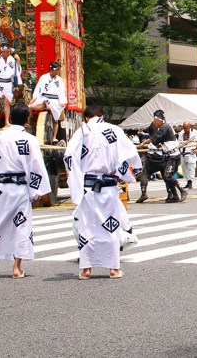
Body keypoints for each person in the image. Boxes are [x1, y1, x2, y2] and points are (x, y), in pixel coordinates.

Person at [64, 105, 142, 279]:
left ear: (86, 118)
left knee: (86, 227)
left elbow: (69, 156)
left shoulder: (82, 131)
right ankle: (113, 268)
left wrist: (76, 180)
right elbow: (129, 153)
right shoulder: (113, 130)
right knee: (111, 226)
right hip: (108, 185)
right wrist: (127, 173)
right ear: (102, 116)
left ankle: (86, 269)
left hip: (87, 187)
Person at [0, 105, 50, 280]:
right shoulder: (29, 139)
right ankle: (16, 267)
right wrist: (36, 191)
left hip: (1, 186)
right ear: (27, 120)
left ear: (10, 118)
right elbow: (35, 165)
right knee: (22, 225)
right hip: (20, 187)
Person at [135, 110, 170, 203]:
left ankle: (143, 193)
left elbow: (153, 137)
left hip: (155, 154)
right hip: (164, 154)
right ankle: (170, 193)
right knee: (165, 174)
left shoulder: (156, 125)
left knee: (145, 173)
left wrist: (143, 143)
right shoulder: (167, 126)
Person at [30, 61, 67, 143]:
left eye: (58, 70)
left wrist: (62, 101)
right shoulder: (44, 77)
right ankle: (27, 123)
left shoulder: (59, 80)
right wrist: (34, 98)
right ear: (51, 69)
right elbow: (38, 89)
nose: (57, 72)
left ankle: (54, 137)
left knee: (55, 118)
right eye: (56, 70)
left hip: (55, 100)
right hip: (44, 97)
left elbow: (62, 91)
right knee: (31, 106)